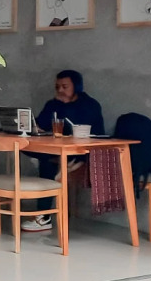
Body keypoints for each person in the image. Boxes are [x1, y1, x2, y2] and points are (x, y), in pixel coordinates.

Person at [22, 70, 105, 233]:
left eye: (65, 87)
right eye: (57, 87)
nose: (60, 90)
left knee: (47, 163)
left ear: (77, 87)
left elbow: (82, 130)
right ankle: (44, 212)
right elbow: (39, 125)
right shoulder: (53, 104)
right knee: (26, 147)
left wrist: (65, 107)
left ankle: (43, 217)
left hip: (83, 151)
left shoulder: (89, 105)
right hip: (58, 150)